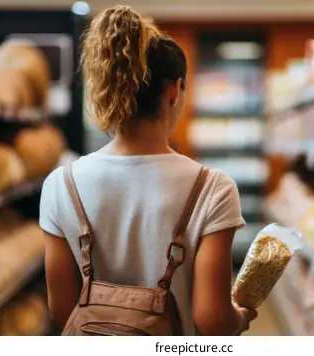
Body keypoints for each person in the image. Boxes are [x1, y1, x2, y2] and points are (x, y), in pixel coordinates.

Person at [39, 5, 257, 336]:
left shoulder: (60, 183)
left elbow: (62, 309)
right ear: (173, 91)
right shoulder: (214, 188)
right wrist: (240, 315)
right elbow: (212, 321)